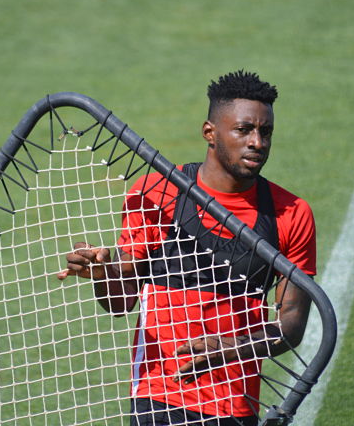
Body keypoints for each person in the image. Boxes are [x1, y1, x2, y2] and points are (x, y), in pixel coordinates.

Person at [58, 70, 316, 426]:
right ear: (210, 132)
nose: (257, 142)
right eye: (243, 130)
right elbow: (120, 302)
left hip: (235, 407)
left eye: (266, 131)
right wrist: (102, 273)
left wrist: (228, 348)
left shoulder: (291, 213)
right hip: (157, 396)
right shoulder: (155, 193)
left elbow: (291, 325)